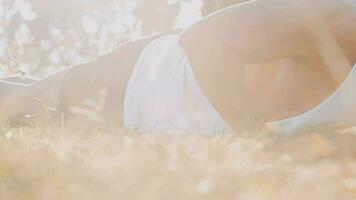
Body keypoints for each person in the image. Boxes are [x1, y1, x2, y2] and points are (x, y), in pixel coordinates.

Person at [1, 0, 356, 135]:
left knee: (36, 94)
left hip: (171, 131)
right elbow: (204, 38)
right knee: (26, 105)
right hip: (146, 82)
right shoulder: (341, 16)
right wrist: (254, 139)